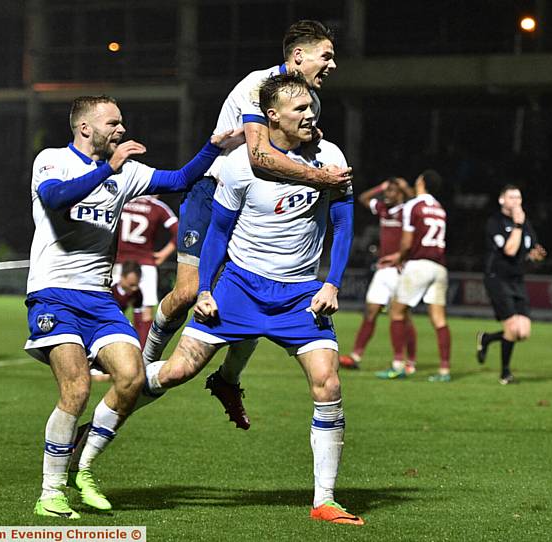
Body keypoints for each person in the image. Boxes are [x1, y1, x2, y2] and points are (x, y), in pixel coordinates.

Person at [141, 73, 363, 526]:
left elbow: (343, 224)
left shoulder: (331, 156)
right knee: (178, 371)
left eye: (312, 107)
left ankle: (325, 500)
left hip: (301, 293)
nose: (310, 114)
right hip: (240, 288)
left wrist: (332, 282)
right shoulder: (242, 162)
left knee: (330, 384)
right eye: (300, 108)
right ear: (272, 116)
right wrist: (205, 288)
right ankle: (99, 425)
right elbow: (218, 232)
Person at [24, 94, 243, 519]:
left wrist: (214, 147)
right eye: (113, 123)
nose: (121, 129)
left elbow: (180, 179)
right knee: (77, 389)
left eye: (121, 122)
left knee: (131, 377)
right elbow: (55, 200)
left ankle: (83, 469)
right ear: (85, 128)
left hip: (100, 299)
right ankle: (50, 492)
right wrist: (110, 168)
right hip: (54, 293)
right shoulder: (53, 160)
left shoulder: (126, 173)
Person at [144, 19, 351, 431]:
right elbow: (259, 157)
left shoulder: (310, 102)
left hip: (257, 203)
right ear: (298, 56)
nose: (332, 65)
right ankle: (145, 361)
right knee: (188, 293)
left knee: (252, 285)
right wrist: (319, 177)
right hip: (216, 190)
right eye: (325, 56)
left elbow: (292, 152)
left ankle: (228, 380)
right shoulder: (258, 85)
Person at [338, 177, 418, 373]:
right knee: (371, 311)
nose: (387, 194)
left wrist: (404, 187)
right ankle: (356, 356)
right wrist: (382, 185)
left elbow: (414, 199)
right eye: (387, 191)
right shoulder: (383, 209)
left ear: (400, 194)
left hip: (401, 269)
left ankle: (406, 361)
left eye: (392, 191)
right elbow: (364, 198)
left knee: (401, 317)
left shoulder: (407, 210)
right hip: (383, 269)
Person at [378, 170, 452, 382]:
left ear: (422, 182)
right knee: (439, 319)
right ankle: (445, 370)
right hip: (439, 267)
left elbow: (407, 242)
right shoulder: (439, 208)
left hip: (419, 265)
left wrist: (399, 257)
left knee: (396, 311)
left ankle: (398, 365)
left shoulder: (413, 205)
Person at [476, 185, 546, 384]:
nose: (516, 201)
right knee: (513, 327)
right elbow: (509, 250)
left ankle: (487, 339)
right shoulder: (495, 222)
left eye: (519, 197)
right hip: (496, 278)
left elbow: (531, 250)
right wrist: (517, 225)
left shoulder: (525, 224)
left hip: (516, 279)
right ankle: (505, 373)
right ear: (501, 200)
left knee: (523, 332)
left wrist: (536, 256)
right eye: (511, 197)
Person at [112, 195, 178, 341]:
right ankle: (142, 357)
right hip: (145, 263)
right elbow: (179, 231)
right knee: (145, 313)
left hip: (118, 261)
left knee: (109, 307)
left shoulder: (122, 200)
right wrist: (163, 254)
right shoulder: (157, 206)